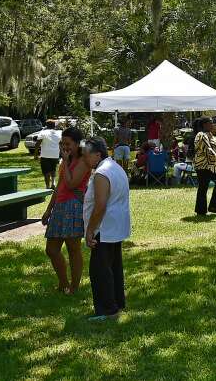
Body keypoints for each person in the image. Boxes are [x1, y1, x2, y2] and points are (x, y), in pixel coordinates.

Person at [82, 137, 131, 321]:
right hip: (115, 225)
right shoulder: (115, 168)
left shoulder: (102, 173)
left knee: (100, 270)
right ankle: (117, 303)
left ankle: (107, 310)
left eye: (86, 155)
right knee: (113, 266)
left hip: (105, 227)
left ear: (97, 154)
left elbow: (100, 205)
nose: (84, 159)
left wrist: (90, 230)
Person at [42, 126, 91, 295]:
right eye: (62, 143)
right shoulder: (66, 160)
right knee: (52, 250)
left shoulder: (84, 161)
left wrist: (65, 161)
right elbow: (60, 187)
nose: (65, 146)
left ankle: (74, 287)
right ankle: (63, 284)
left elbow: (71, 184)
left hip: (74, 206)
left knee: (73, 248)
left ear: (78, 144)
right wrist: (49, 209)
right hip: (60, 207)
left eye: (68, 143)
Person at [193, 118, 216, 215]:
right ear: (205, 124)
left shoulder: (210, 135)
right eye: (211, 123)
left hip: (213, 165)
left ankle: (213, 207)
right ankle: (201, 211)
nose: (213, 125)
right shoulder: (201, 135)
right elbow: (208, 150)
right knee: (203, 187)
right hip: (203, 165)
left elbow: (215, 148)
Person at [33, 120, 62, 189]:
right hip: (55, 154)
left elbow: (38, 143)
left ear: (46, 126)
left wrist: (35, 154)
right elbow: (61, 143)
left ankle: (47, 186)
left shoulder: (43, 132)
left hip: (45, 155)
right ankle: (53, 183)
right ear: (54, 126)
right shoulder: (59, 133)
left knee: (46, 171)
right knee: (53, 169)